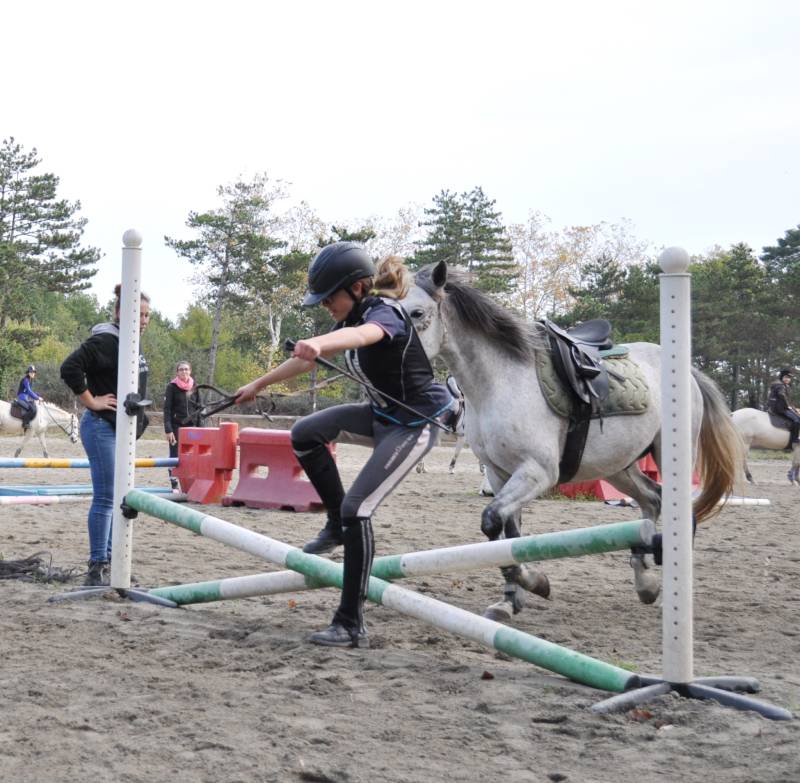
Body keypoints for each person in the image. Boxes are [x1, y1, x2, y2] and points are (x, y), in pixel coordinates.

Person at [235, 243, 456, 649]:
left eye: (328, 298)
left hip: (415, 423)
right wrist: (258, 384)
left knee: (360, 508)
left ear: (357, 288)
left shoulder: (383, 313)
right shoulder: (351, 316)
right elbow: (305, 361)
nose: (324, 307)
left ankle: (351, 623)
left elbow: (364, 336)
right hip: (381, 415)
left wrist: (320, 343)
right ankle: (336, 524)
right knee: (305, 432)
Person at [60, 285, 151, 586]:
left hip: (120, 429)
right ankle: (97, 565)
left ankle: (115, 563)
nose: (144, 320)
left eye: (148, 315)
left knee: (120, 498)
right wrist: (91, 401)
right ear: (118, 312)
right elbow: (70, 367)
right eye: (138, 314)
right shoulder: (105, 340)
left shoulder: (131, 344)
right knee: (106, 498)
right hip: (101, 426)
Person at [163, 360, 200, 490]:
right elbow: (167, 410)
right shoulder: (171, 387)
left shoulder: (195, 386)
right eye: (181, 369)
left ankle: (190, 484)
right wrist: (168, 430)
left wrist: (202, 429)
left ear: (190, 371)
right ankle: (174, 484)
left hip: (192, 426)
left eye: (186, 369)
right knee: (174, 455)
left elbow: (199, 408)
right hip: (176, 426)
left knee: (192, 455)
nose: (184, 371)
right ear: (177, 372)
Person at [767, 368, 800, 447]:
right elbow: (781, 394)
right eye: (786, 377)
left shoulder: (783, 385)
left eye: (789, 378)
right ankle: (794, 440)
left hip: (779, 407)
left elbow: (787, 398)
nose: (788, 379)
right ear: (782, 377)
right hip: (780, 408)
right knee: (797, 420)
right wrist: (788, 405)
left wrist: (794, 409)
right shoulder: (780, 385)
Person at [16, 365, 42, 430]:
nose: (33, 373)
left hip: (25, 398)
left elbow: (29, 392)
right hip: (21, 398)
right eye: (31, 372)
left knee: (33, 407)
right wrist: (37, 398)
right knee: (32, 409)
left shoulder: (29, 380)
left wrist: (38, 395)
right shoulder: (25, 380)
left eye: (34, 372)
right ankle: (25, 424)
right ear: (28, 373)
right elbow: (29, 391)